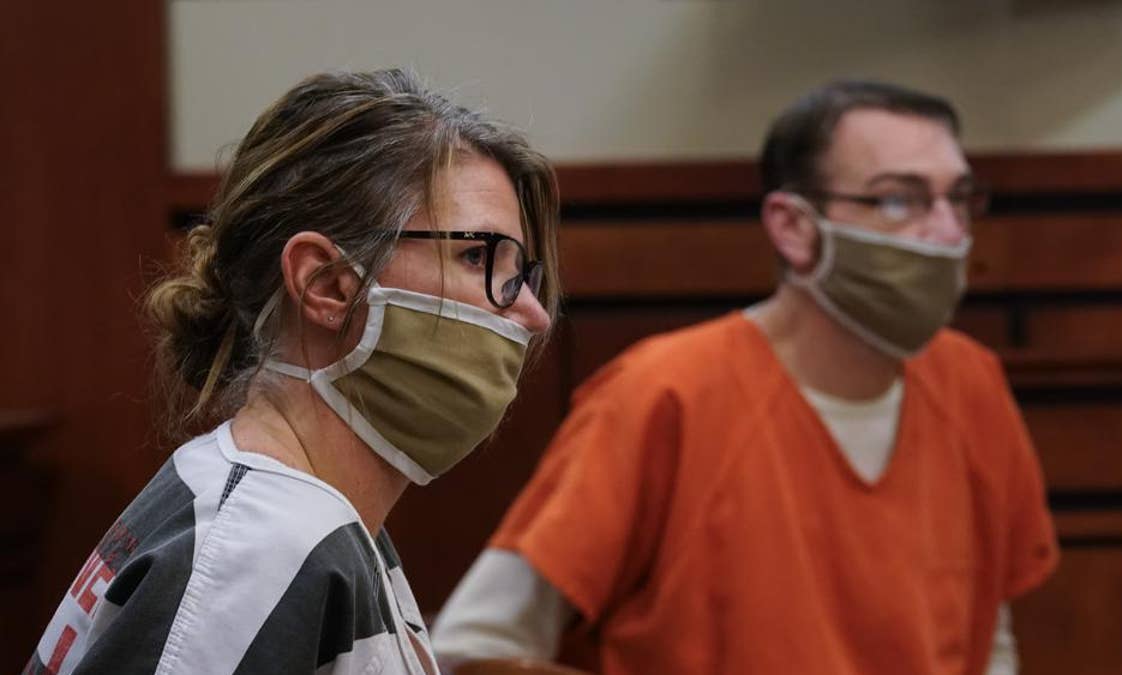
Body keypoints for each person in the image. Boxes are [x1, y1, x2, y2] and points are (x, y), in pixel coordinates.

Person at [432, 81, 1059, 675]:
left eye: (959, 198)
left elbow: (986, 635)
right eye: (900, 199)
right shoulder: (663, 393)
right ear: (794, 227)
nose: (948, 233)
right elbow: (475, 646)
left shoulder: (971, 385)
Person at [25, 68, 560, 675]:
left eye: (523, 274)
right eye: (478, 257)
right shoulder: (259, 550)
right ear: (327, 285)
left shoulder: (298, 518)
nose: (533, 314)